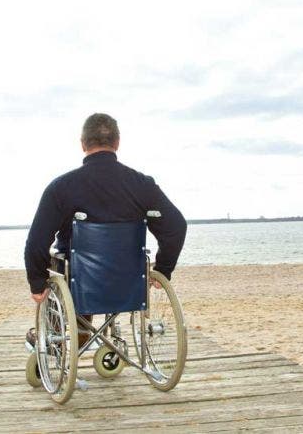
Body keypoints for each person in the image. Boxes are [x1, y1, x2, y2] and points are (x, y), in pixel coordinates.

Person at [24, 113, 187, 345]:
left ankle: (60, 337)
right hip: (129, 282)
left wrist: (37, 283)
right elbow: (176, 227)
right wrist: (164, 268)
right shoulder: (143, 185)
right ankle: (85, 333)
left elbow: (36, 243)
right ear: (117, 143)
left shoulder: (61, 188)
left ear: (83, 144)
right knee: (77, 267)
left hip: (80, 283)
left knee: (59, 264)